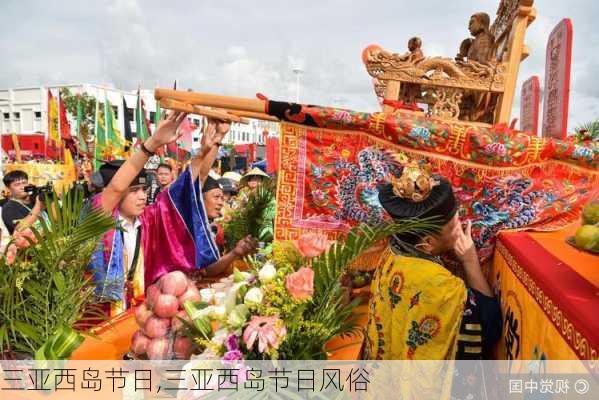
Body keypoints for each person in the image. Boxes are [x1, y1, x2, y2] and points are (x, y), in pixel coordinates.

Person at [89, 112, 228, 316]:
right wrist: (152, 143)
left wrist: (210, 146)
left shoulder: (146, 220)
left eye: (144, 190)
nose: (142, 196)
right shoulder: (101, 218)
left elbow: (190, 186)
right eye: (134, 190)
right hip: (98, 322)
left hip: (137, 316)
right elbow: (117, 188)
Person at [364, 163, 502, 360]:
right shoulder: (439, 285)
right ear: (428, 244)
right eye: (454, 226)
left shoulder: (391, 253)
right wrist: (470, 260)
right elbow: (490, 326)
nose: (461, 227)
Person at [199, 175, 257, 277]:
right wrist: (235, 253)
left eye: (222, 198)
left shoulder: (210, 225)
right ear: (200, 199)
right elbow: (206, 271)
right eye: (216, 197)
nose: (221, 203)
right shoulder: (194, 229)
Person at [1, 170, 43, 235]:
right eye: (17, 184)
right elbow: (21, 228)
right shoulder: (8, 208)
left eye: (24, 183)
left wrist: (50, 199)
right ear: (8, 188)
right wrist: (39, 205)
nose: (22, 187)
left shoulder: (35, 199)